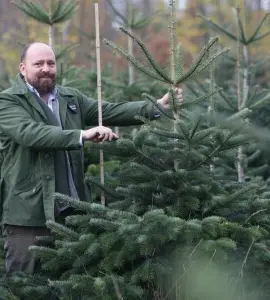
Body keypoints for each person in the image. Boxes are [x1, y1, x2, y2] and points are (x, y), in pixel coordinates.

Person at [0, 42, 183, 276]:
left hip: (70, 212)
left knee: (69, 282)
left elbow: (109, 111)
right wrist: (81, 135)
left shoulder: (70, 98)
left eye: (51, 63)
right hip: (27, 214)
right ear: (23, 69)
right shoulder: (8, 101)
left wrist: (157, 107)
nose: (46, 68)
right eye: (38, 64)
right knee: (24, 284)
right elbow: (30, 133)